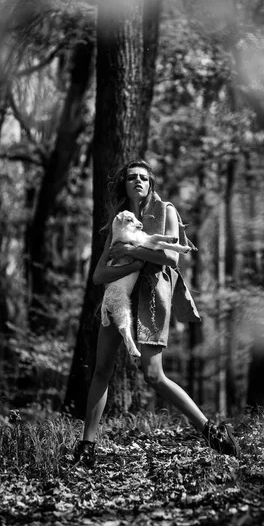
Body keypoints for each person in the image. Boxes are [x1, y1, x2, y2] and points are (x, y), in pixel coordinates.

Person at [74, 159, 238, 467]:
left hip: (151, 295)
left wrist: (132, 254)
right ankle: (86, 447)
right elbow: (98, 275)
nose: (137, 181)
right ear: (124, 185)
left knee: (152, 374)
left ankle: (209, 430)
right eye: (131, 178)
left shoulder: (166, 211)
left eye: (143, 178)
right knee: (101, 370)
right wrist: (131, 262)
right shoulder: (119, 222)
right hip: (118, 298)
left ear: (151, 184)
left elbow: (170, 257)